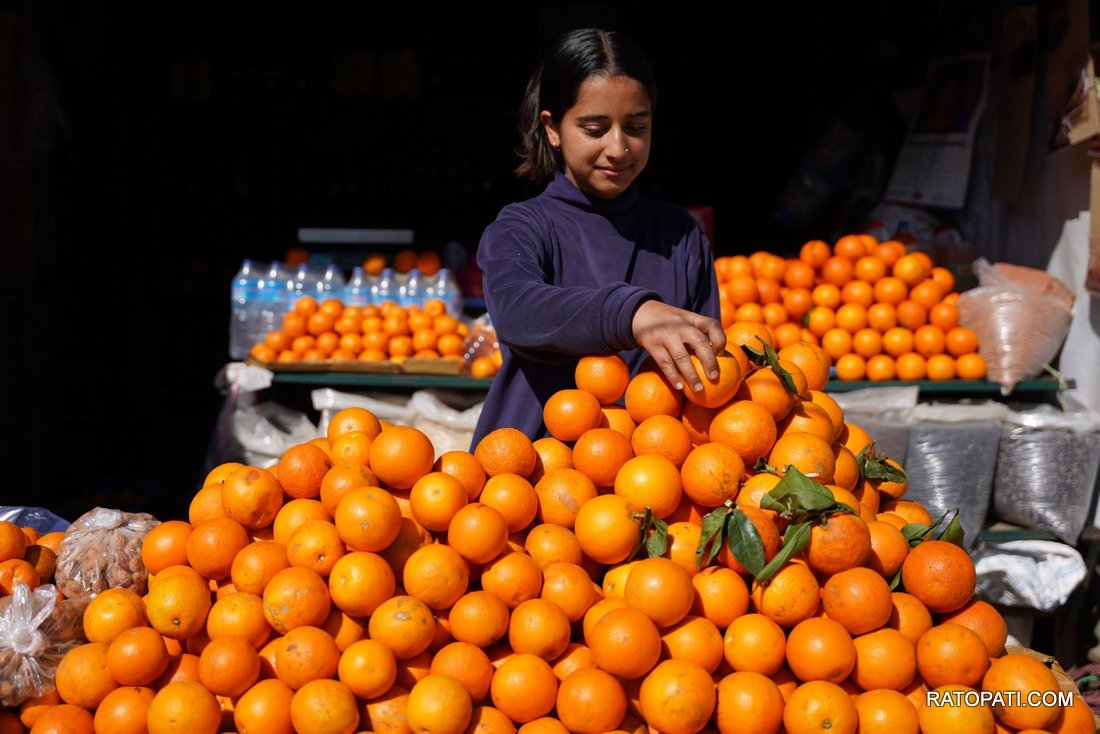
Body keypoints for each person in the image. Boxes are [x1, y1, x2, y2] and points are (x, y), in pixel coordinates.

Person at [471, 27, 725, 446]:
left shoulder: (681, 235)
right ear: (552, 128)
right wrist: (631, 315)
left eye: (636, 127)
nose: (618, 148)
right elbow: (517, 311)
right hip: (526, 481)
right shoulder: (521, 227)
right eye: (594, 129)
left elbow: (707, 374)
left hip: (653, 483)